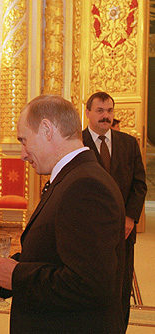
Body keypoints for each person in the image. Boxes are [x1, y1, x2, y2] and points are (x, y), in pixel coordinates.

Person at [0, 95, 126, 333]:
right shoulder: (72, 178)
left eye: (24, 141)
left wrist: (16, 275)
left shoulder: (85, 186)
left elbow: (90, 284)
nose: (23, 154)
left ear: (47, 129)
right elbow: (43, 258)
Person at [82, 91, 147, 331]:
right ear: (88, 112)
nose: (105, 116)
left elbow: (139, 184)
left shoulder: (128, 144)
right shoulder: (76, 144)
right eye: (100, 111)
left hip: (123, 232)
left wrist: (131, 217)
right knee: (92, 286)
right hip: (88, 233)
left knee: (120, 287)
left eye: (109, 111)